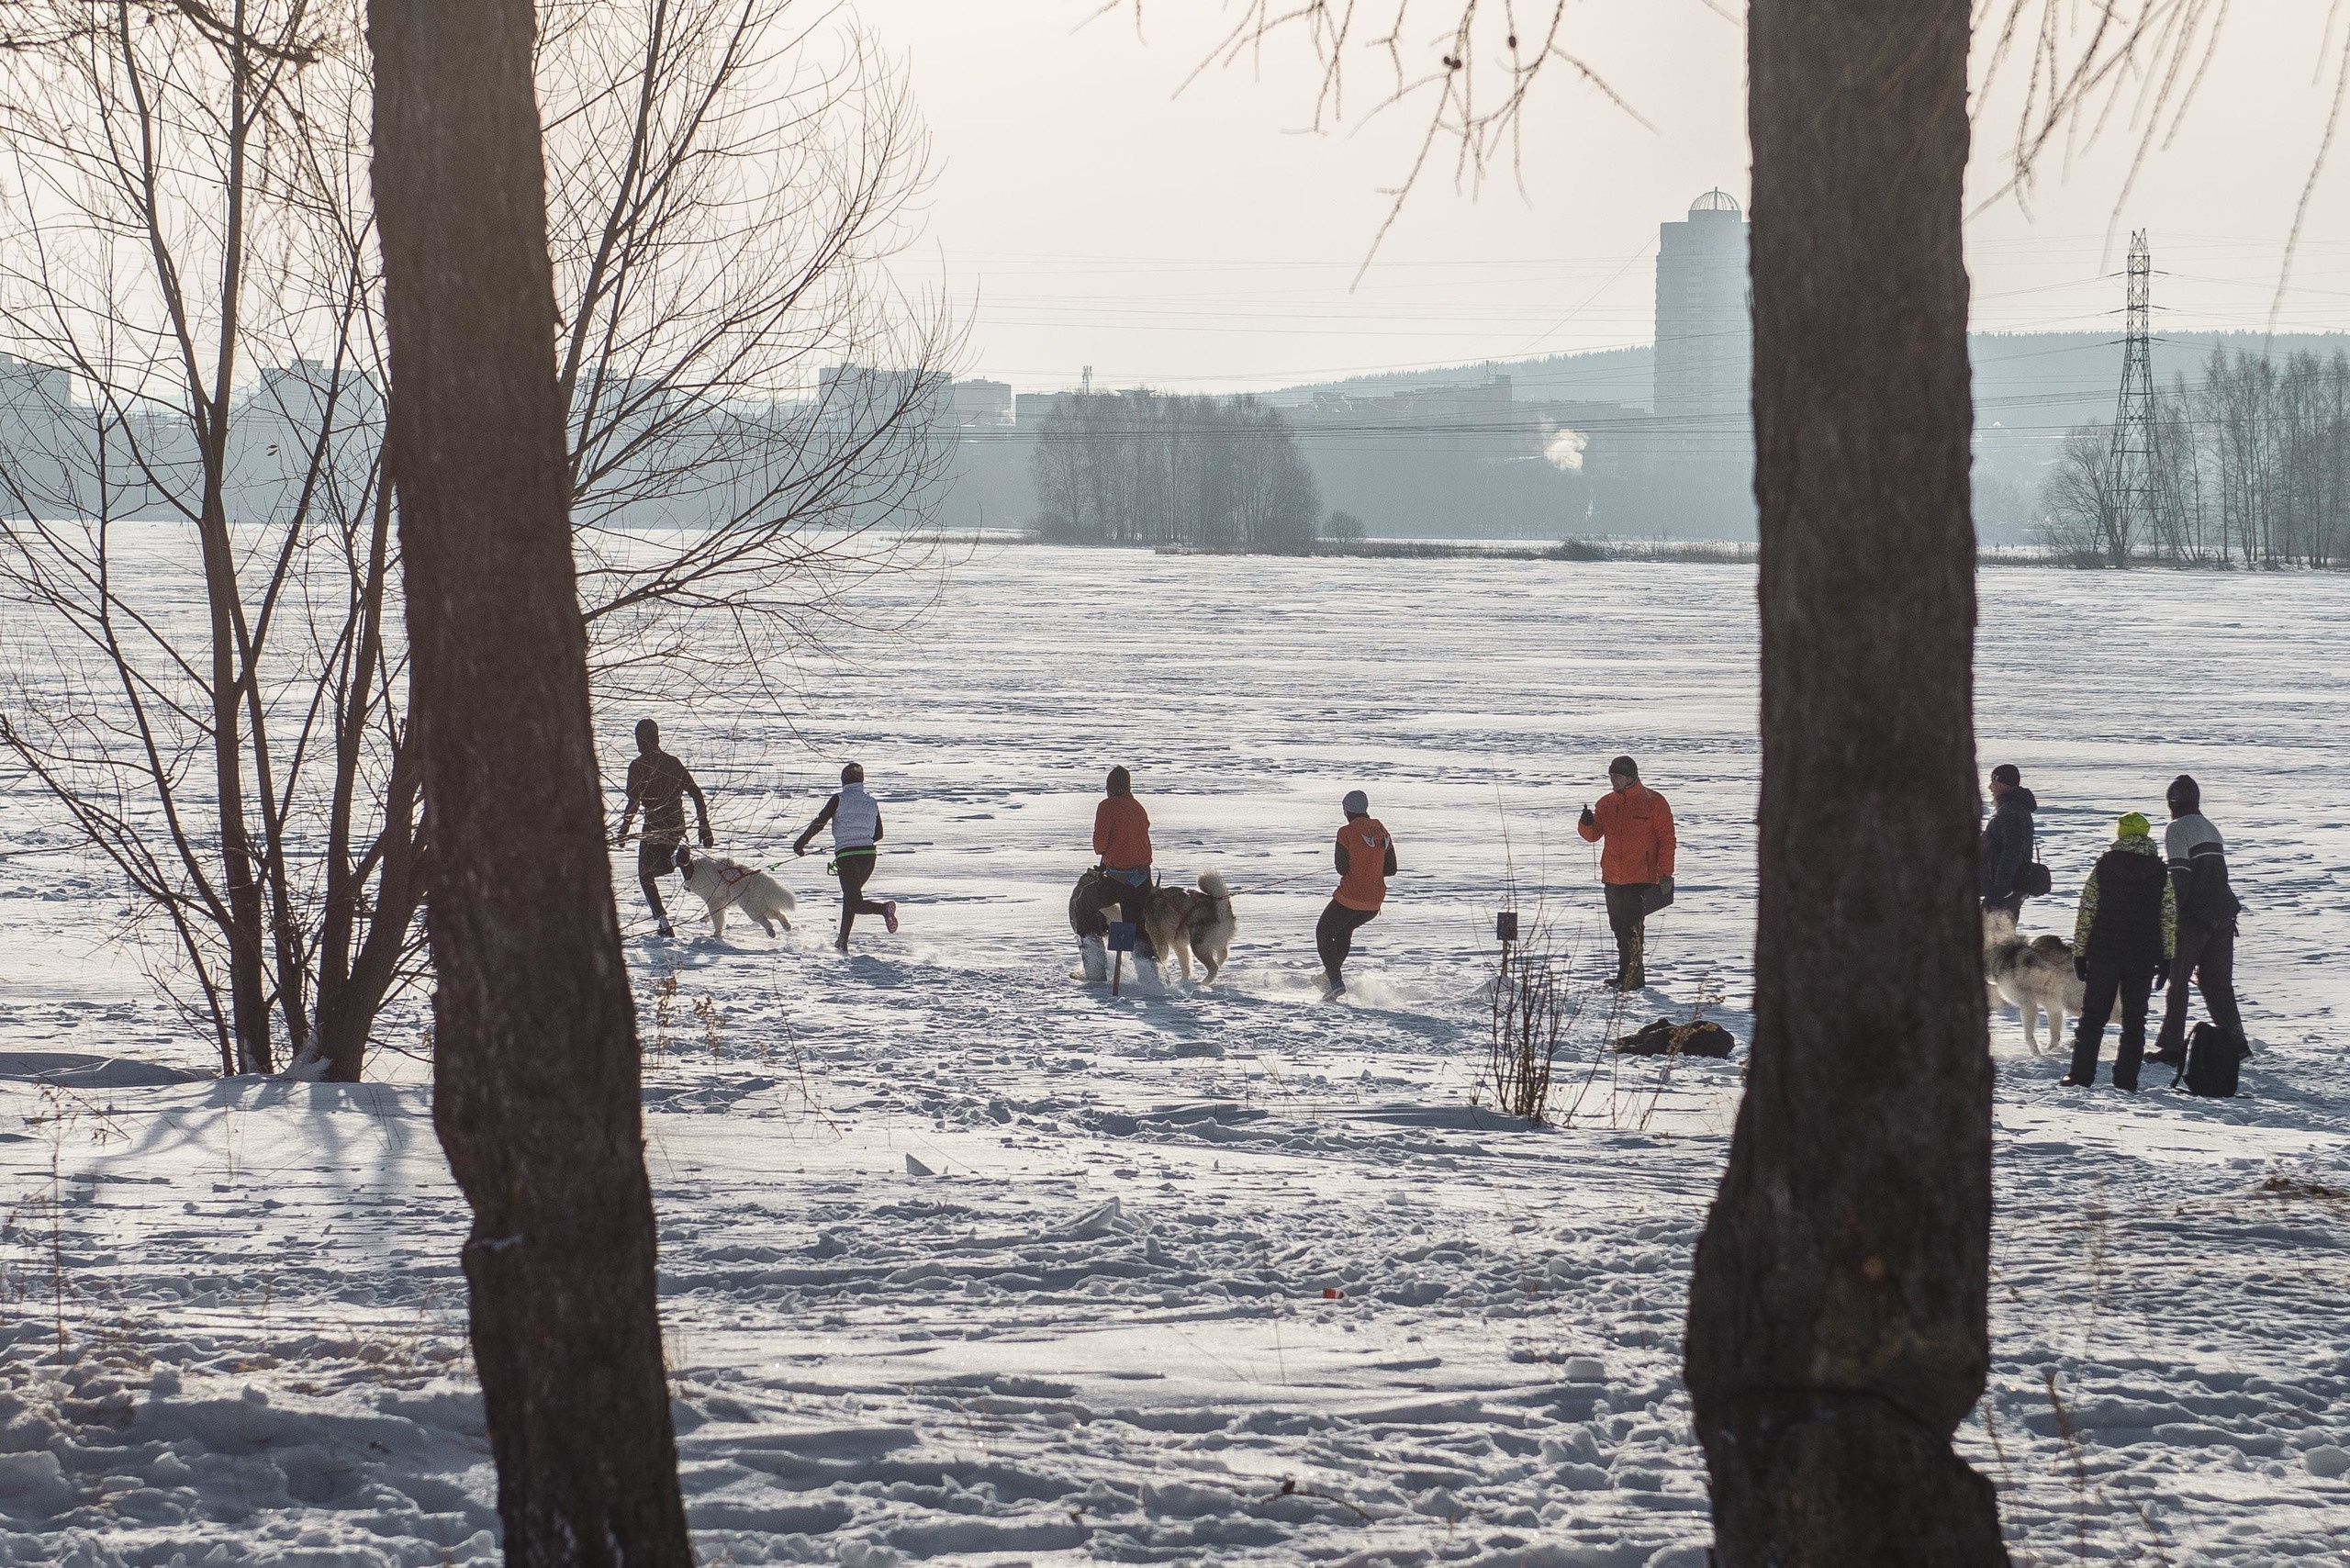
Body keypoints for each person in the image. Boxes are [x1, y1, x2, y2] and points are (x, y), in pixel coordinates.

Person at [2061, 812, 2176, 1091]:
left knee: (2092, 1018)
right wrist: (2167, 956)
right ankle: (2126, 1080)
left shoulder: (2103, 867)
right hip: (2143, 956)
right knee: (2135, 1020)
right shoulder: (2161, 872)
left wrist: (2079, 951)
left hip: (2104, 952)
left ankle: (2080, 1076)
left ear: (2120, 833)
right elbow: (2168, 916)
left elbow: (2086, 911)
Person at [2151, 773, 2244, 1067]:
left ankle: (2172, 1047)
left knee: (2178, 983)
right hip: (2225, 915)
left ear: (2172, 802)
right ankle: (2236, 1042)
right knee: (2218, 984)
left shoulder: (2176, 829)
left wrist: (2168, 917)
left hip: (2194, 918)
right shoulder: (2211, 828)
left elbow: (2180, 876)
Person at [1577, 755, 1675, 991]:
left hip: (1640, 877)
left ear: (1631, 777)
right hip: (1612, 877)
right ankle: (1624, 975)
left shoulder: (1654, 802)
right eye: (1611, 776)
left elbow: (1667, 840)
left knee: (1632, 929)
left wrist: (1665, 874)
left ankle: (1634, 978)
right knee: (1618, 928)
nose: (1613, 781)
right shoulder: (1605, 803)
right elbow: (1592, 836)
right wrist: (1586, 823)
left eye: (1618, 776)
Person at [614, 718, 711, 937]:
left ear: (639, 741)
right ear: (658, 738)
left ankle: (664, 923)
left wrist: (624, 830)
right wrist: (704, 826)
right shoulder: (673, 763)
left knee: (646, 875)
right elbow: (696, 793)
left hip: (654, 826)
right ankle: (678, 863)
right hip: (677, 825)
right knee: (682, 872)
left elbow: (633, 803)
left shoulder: (637, 767)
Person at [793, 763, 896, 953]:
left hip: (848, 857)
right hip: (868, 857)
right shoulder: (871, 802)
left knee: (855, 902)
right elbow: (879, 834)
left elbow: (820, 823)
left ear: (843, 781)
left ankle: (884, 909)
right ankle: (842, 941)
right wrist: (860, 837)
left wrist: (800, 844)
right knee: (851, 897)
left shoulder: (838, 799)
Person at [1317, 790, 1396, 997]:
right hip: (1373, 902)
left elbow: (1342, 869)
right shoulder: (1381, 830)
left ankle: (1334, 981)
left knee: (1324, 932)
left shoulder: (1346, 832)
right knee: (1343, 932)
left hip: (1350, 898)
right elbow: (1391, 869)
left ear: (1347, 810)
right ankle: (1330, 977)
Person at [1091, 765, 1154, 935]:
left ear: (1109, 789)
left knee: (1084, 904)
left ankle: (1093, 948)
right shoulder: (1137, 807)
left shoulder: (1107, 806)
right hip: (1142, 879)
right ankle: (1145, 960)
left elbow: (1099, 845)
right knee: (1134, 923)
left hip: (1118, 879)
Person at [1980, 763, 2038, 919]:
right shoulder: (2013, 807)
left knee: (1993, 935)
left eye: (1994, 783)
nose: (1990, 787)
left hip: (2007, 887)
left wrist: (2002, 886)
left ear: (2004, 785)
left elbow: (2013, 850)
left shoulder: (2011, 810)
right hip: (2009, 885)